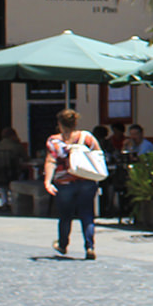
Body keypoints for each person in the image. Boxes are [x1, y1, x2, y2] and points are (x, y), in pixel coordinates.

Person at [42, 109, 102, 259]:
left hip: (65, 182)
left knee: (65, 215)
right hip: (87, 180)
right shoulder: (87, 137)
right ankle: (89, 246)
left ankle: (63, 244)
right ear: (75, 122)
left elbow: (51, 161)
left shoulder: (54, 141)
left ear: (60, 124)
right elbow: (98, 154)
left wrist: (47, 181)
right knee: (87, 214)